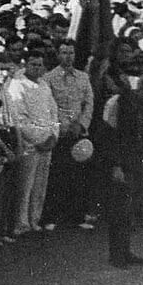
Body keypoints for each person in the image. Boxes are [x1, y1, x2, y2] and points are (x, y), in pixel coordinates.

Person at [101, 54, 143, 268]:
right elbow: (109, 137)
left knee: (130, 209)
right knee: (119, 210)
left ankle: (126, 251)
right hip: (122, 163)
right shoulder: (115, 102)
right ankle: (117, 255)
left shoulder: (138, 99)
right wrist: (116, 165)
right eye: (129, 75)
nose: (134, 79)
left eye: (137, 75)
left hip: (138, 159)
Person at [41, 40, 94, 231]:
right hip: (60, 132)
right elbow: (48, 105)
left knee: (79, 175)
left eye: (71, 53)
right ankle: (51, 216)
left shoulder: (83, 77)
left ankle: (78, 215)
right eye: (63, 52)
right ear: (58, 55)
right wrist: (63, 125)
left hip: (78, 131)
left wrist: (82, 124)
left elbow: (88, 103)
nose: (68, 56)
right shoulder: (48, 78)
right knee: (58, 176)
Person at [6, 50, 60, 236]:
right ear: (25, 64)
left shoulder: (44, 85)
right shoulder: (17, 85)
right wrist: (39, 139)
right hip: (29, 143)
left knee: (40, 185)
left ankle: (34, 219)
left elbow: (54, 112)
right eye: (33, 64)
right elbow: (19, 118)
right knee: (25, 186)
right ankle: (21, 223)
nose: (37, 68)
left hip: (47, 141)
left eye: (40, 65)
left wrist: (53, 135)